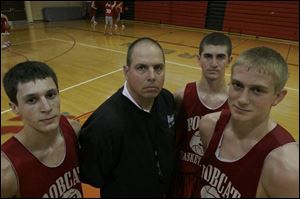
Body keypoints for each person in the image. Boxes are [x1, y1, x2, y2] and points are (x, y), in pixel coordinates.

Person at [192, 47, 299, 197]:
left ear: (278, 96)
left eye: (257, 90)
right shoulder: (209, 125)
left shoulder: (286, 169)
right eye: (237, 85)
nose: (242, 100)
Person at [79, 37, 176, 197]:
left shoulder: (166, 99)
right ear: (126, 71)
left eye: (158, 68)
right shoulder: (104, 124)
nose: (152, 76)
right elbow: (93, 177)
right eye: (142, 68)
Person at [1, 61, 83, 198]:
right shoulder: (6, 172)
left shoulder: (74, 131)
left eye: (51, 95)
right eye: (32, 100)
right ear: (14, 107)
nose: (47, 108)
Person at [170, 32, 232, 197]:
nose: (213, 63)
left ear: (229, 61)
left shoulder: (236, 103)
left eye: (220, 57)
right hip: (181, 176)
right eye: (208, 56)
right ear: (198, 59)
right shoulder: (182, 95)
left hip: (213, 183)